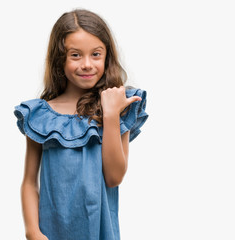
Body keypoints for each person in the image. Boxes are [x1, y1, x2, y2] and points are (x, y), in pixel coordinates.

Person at [14, 9, 148, 240]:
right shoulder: (40, 116)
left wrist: (111, 115)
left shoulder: (119, 107)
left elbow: (114, 177)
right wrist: (33, 232)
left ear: (107, 57)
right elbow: (29, 181)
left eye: (96, 54)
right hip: (51, 232)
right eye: (75, 55)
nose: (87, 64)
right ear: (60, 59)